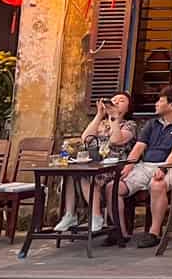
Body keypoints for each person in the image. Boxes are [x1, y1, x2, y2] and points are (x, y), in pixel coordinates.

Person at [114, 86, 172, 249]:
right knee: (113, 187)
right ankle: (120, 232)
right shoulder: (152, 123)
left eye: (160, 101)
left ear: (171, 105)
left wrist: (164, 169)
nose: (156, 103)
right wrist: (128, 166)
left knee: (157, 185)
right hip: (145, 166)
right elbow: (138, 148)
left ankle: (154, 232)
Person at [54, 92, 136, 233]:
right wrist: (99, 115)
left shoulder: (129, 125)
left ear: (128, 107)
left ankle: (96, 216)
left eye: (121, 100)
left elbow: (116, 140)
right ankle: (69, 214)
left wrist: (114, 117)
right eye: (113, 100)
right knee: (69, 173)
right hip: (93, 163)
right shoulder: (102, 123)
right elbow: (85, 138)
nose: (116, 102)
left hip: (113, 167)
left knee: (86, 175)